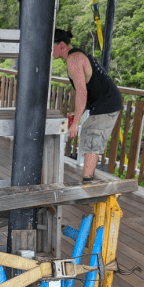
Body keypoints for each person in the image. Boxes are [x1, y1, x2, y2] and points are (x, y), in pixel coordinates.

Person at [53, 28, 123, 182]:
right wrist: (76, 112)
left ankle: (87, 182)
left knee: (92, 134)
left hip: (107, 103)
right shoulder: (76, 55)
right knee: (90, 132)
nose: (50, 50)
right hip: (106, 101)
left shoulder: (74, 60)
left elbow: (82, 92)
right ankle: (87, 180)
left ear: (62, 45)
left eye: (53, 46)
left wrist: (76, 122)